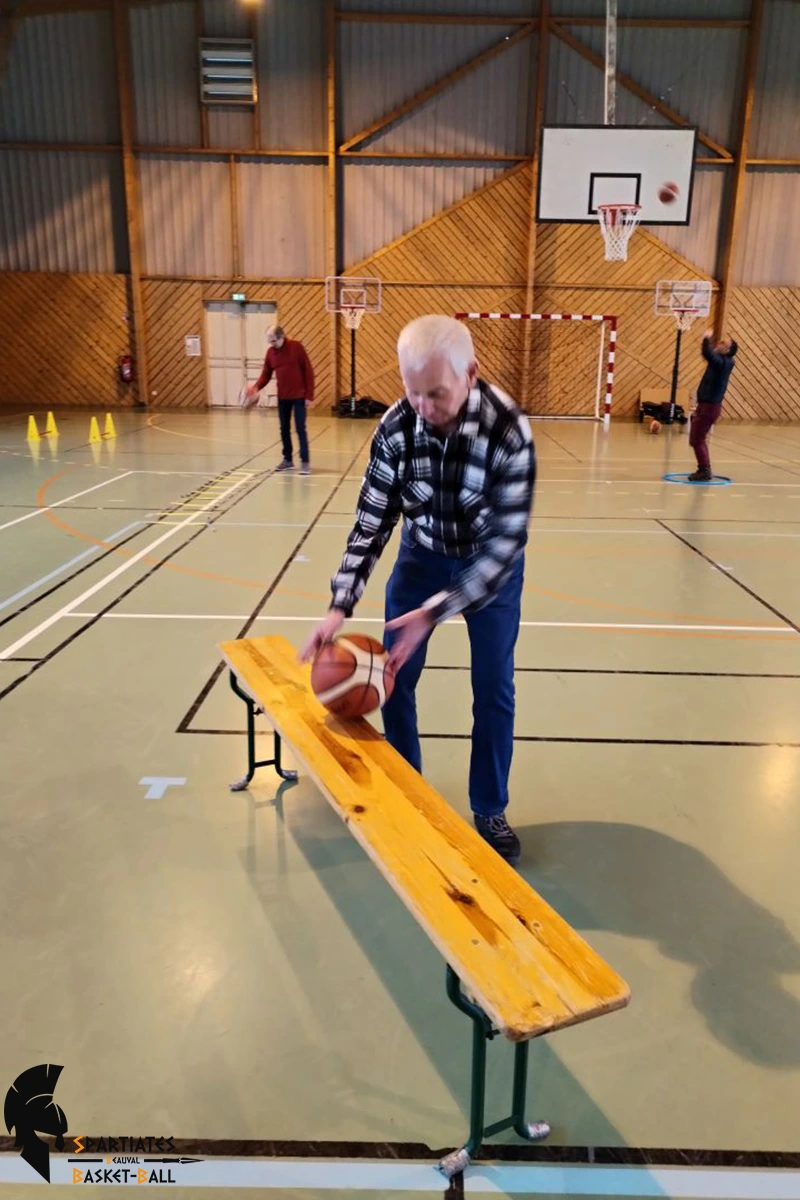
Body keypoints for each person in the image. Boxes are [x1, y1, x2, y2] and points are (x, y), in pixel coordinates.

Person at [301, 315, 536, 863]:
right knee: (393, 677)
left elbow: (505, 544)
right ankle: (407, 788)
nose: (424, 407)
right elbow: (372, 520)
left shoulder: (508, 432)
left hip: (489, 567)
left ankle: (490, 806)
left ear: (470, 373)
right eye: (413, 392)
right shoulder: (395, 428)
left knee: (494, 687)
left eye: (437, 393)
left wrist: (435, 611)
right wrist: (339, 604)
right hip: (421, 556)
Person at [243, 325, 315, 474]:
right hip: (283, 397)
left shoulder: (296, 347)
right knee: (284, 429)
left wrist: (309, 395)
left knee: (300, 428)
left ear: (281, 337)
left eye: (273, 341)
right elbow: (266, 374)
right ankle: (287, 460)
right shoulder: (271, 353)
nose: (271, 344)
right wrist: (255, 388)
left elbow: (308, 371)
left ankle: (305, 462)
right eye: (269, 341)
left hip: (299, 396)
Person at [689, 328, 738, 482]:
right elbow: (711, 355)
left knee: (697, 439)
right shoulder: (721, 361)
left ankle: (704, 470)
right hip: (705, 405)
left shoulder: (723, 363)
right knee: (696, 438)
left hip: (709, 407)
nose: (719, 343)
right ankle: (704, 468)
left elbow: (707, 353)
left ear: (728, 350)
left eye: (723, 343)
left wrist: (706, 338)